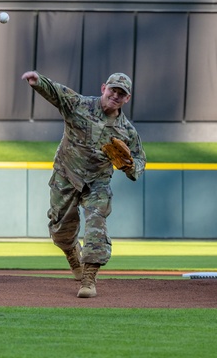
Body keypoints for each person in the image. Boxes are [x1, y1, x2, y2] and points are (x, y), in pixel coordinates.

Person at [20, 71, 146, 299]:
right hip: (66, 175)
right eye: (113, 90)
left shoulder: (126, 131)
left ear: (127, 99)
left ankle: (89, 278)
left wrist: (129, 166)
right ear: (103, 88)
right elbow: (57, 93)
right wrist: (38, 82)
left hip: (97, 182)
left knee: (97, 224)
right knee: (60, 230)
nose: (115, 95)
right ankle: (71, 254)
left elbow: (139, 160)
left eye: (121, 94)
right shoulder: (80, 105)